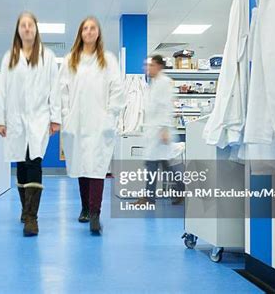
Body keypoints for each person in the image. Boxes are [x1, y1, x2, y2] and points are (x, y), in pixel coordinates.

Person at [0, 12, 61, 237]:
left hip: (39, 119)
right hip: (15, 120)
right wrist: (0, 120)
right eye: (22, 25)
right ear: (18, 30)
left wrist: (55, 117)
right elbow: (1, 90)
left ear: (36, 29)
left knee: (34, 163)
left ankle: (32, 217)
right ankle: (25, 209)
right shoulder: (9, 57)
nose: (26, 28)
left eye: (30, 25)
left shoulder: (48, 56)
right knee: (21, 167)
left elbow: (55, 88)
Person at [59, 16, 125, 234]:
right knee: (81, 165)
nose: (88, 31)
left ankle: (95, 214)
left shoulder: (108, 60)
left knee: (96, 167)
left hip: (99, 122)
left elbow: (117, 89)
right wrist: (66, 116)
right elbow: (62, 91)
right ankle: (85, 208)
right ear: (80, 33)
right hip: (76, 122)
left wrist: (110, 116)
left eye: (92, 28)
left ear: (98, 33)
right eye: (85, 28)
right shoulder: (71, 60)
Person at [133, 55, 184, 206]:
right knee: (163, 165)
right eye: (146, 66)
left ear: (159, 66)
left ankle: (149, 198)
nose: (147, 69)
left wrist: (164, 129)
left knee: (153, 166)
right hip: (154, 132)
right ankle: (181, 190)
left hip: (161, 132)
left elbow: (167, 107)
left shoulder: (165, 82)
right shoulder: (153, 83)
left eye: (151, 66)